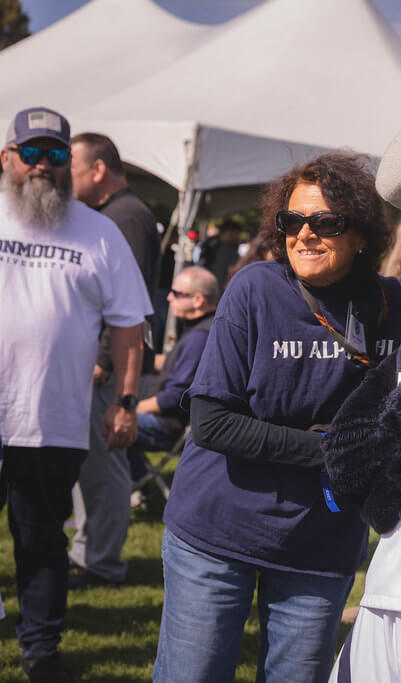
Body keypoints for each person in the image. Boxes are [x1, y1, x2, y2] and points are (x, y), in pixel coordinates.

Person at [152, 153, 401, 682]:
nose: (305, 235)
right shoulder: (255, 288)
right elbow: (212, 423)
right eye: (292, 221)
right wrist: (332, 451)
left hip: (320, 545)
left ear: (362, 233)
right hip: (216, 532)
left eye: (324, 222)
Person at [0, 107, 151, 683]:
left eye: (56, 155)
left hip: (54, 420)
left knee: (41, 543)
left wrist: (126, 399)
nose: (43, 165)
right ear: (8, 158)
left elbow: (128, 325)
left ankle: (40, 652)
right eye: (32, 153)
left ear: (71, 164)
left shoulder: (99, 231)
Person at [65, 131, 162, 588]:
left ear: (98, 169)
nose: (65, 178)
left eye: (73, 168)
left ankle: (100, 561)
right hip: (102, 361)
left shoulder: (125, 216)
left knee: (103, 465)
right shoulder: (116, 214)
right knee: (91, 465)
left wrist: (104, 359)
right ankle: (89, 552)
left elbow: (127, 304)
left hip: (107, 366)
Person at [125, 266, 218, 494]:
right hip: (163, 417)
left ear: (197, 300)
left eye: (176, 294)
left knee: (102, 424)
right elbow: (171, 361)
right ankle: (137, 485)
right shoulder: (201, 329)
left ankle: (131, 488)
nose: (168, 297)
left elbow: (174, 397)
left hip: (166, 425)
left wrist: (127, 410)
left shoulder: (199, 338)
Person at [196, 217, 242, 288]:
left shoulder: (210, 242)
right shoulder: (228, 250)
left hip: (203, 283)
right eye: (237, 234)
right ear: (229, 232)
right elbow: (232, 271)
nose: (238, 237)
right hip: (217, 287)